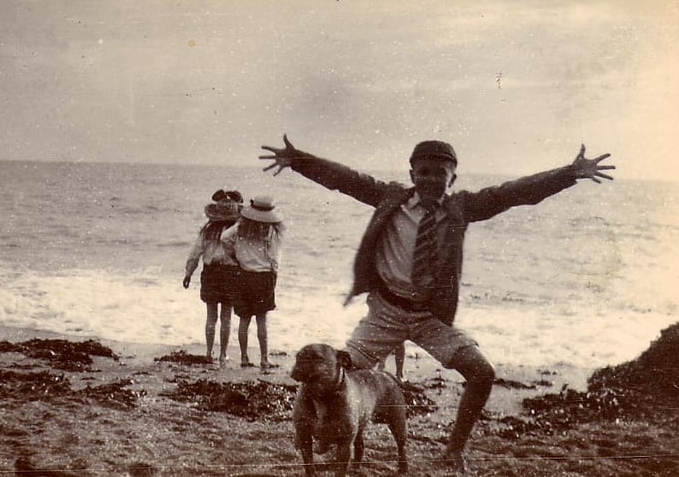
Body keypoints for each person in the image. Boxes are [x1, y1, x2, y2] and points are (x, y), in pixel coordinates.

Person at [260, 134, 614, 472]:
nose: (430, 179)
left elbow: (515, 193)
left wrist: (569, 174)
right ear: (411, 174)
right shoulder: (389, 197)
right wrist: (298, 161)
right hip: (385, 313)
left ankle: (454, 449)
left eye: (439, 173)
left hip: (431, 317)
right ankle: (323, 432)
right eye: (423, 172)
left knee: (482, 373)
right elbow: (345, 179)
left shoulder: (464, 207)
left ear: (453, 177)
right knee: (336, 369)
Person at [221, 196, 284, 371]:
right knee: (262, 319)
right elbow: (274, 258)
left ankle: (244, 357)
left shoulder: (240, 227)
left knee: (244, 319)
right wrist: (274, 276)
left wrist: (234, 256)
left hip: (243, 274)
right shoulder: (271, 231)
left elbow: (224, 238)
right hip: (263, 277)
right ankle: (264, 359)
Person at [183, 189, 244, 368]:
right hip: (232, 274)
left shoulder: (207, 230)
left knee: (211, 316)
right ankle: (223, 354)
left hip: (211, 273)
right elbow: (243, 255)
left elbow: (195, 254)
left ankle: (209, 352)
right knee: (226, 317)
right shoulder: (237, 231)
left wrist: (188, 273)